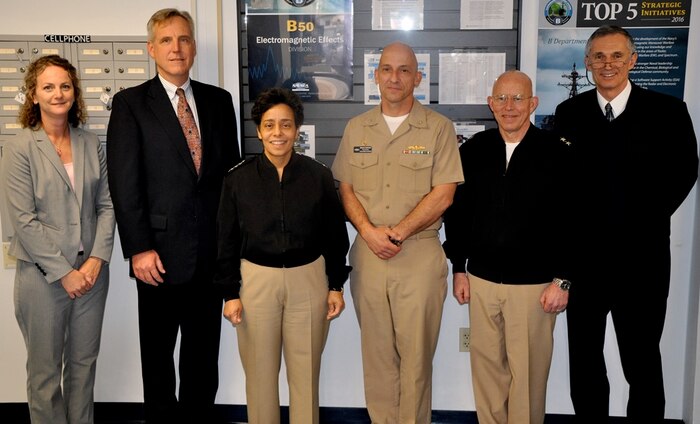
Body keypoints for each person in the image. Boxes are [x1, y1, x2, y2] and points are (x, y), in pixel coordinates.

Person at [554, 25, 698, 423]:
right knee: (584, 363)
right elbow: (562, 188)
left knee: (642, 364)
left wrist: (636, 220)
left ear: (633, 61)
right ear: (587, 63)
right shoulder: (570, 115)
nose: (608, 64)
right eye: (599, 56)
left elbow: (684, 173)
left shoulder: (668, 112)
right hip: (584, 267)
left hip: (643, 264)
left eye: (617, 56)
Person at [106, 8, 240, 424]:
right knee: (159, 362)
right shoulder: (130, 104)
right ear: (151, 49)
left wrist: (231, 250)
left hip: (209, 257)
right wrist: (139, 248)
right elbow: (124, 184)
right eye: (166, 40)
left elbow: (230, 179)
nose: (176, 48)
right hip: (158, 259)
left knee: (203, 362)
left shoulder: (220, 101)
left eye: (183, 39)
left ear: (194, 47)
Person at [331, 41, 463, 423]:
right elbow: (346, 188)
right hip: (368, 256)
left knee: (416, 359)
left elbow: (444, 194)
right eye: (387, 69)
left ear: (418, 78)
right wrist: (369, 232)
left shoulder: (438, 128)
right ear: (376, 76)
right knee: (377, 357)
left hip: (418, 256)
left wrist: (399, 232)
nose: (394, 77)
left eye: (404, 70)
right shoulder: (358, 127)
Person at [215, 87, 351, 424]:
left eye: (286, 125)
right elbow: (226, 240)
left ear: (297, 129)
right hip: (256, 282)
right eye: (270, 125)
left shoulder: (318, 176)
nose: (278, 133)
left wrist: (336, 284)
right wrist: (230, 293)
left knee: (305, 377)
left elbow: (335, 235)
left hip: (309, 281)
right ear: (259, 130)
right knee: (260, 378)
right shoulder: (238, 179)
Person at [443, 70, 572, 424]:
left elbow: (573, 221)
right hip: (481, 281)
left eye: (518, 99)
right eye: (501, 98)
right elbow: (457, 213)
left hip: (534, 288)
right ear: (490, 103)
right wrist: (458, 267)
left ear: (533, 103)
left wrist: (563, 279)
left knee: (528, 379)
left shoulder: (556, 154)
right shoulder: (473, 150)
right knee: (487, 374)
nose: (509, 106)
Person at [0, 54, 115, 424]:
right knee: (45, 374)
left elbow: (107, 205)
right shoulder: (19, 147)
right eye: (48, 87)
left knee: (83, 368)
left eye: (65, 86)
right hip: (42, 278)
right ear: (33, 95)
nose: (58, 93)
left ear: (74, 93)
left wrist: (97, 259)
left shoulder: (90, 142)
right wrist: (65, 272)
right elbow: (23, 220)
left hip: (92, 275)